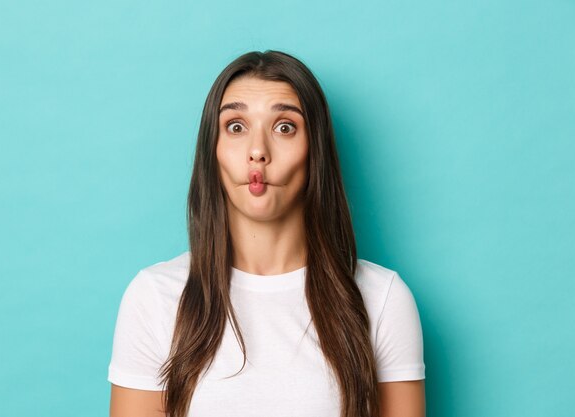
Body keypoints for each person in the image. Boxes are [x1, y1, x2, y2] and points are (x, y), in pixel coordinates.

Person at [108, 50, 425, 417]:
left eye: (285, 127)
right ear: (213, 150)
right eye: (236, 127)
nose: (258, 151)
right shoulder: (154, 297)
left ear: (315, 151)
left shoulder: (382, 299)